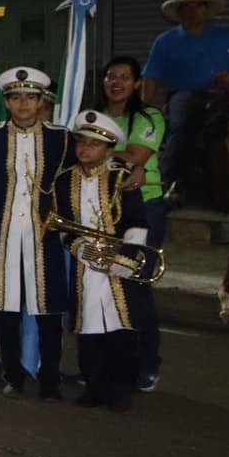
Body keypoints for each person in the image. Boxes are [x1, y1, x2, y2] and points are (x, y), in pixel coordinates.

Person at [54, 110, 156, 411]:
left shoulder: (122, 177)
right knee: (89, 325)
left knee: (121, 325)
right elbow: (62, 226)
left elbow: (137, 222)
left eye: (94, 144)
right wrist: (78, 248)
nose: (85, 149)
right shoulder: (64, 180)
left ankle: (121, 388)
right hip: (86, 263)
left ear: (109, 149)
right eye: (81, 142)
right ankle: (95, 387)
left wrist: (125, 259)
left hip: (119, 262)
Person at [0, 68, 70, 400]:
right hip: (3, 234)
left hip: (44, 235)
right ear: (7, 102)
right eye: (16, 97)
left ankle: (50, 379)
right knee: (6, 310)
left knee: (48, 310)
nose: (23, 104)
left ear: (41, 100)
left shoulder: (61, 138)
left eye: (30, 97)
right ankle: (13, 375)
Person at [93, 55, 175, 361]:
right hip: (101, 205)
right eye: (110, 76)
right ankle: (106, 365)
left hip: (144, 206)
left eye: (124, 77)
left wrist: (98, 150)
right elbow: (82, 153)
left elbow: (137, 155)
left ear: (137, 83)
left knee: (136, 285)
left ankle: (147, 363)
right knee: (101, 287)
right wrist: (115, 154)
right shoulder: (94, 114)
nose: (116, 82)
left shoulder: (150, 116)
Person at [144, 0, 229, 198]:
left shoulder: (228, 39)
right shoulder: (165, 41)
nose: (191, 11)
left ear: (207, 10)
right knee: (181, 126)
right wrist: (141, 107)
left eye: (197, 5)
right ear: (179, 12)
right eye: (185, 7)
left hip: (223, 96)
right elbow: (151, 76)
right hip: (183, 95)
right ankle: (170, 183)